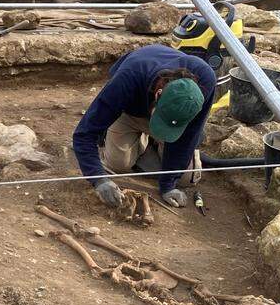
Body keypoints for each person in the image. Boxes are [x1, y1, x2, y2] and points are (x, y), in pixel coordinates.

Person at [72, 44, 216, 209]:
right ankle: (142, 142)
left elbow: (190, 134)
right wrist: (98, 179)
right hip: (131, 112)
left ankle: (155, 146)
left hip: (177, 122)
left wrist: (168, 185)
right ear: (158, 93)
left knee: (185, 179)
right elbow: (84, 134)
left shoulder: (205, 81)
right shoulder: (127, 79)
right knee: (118, 164)